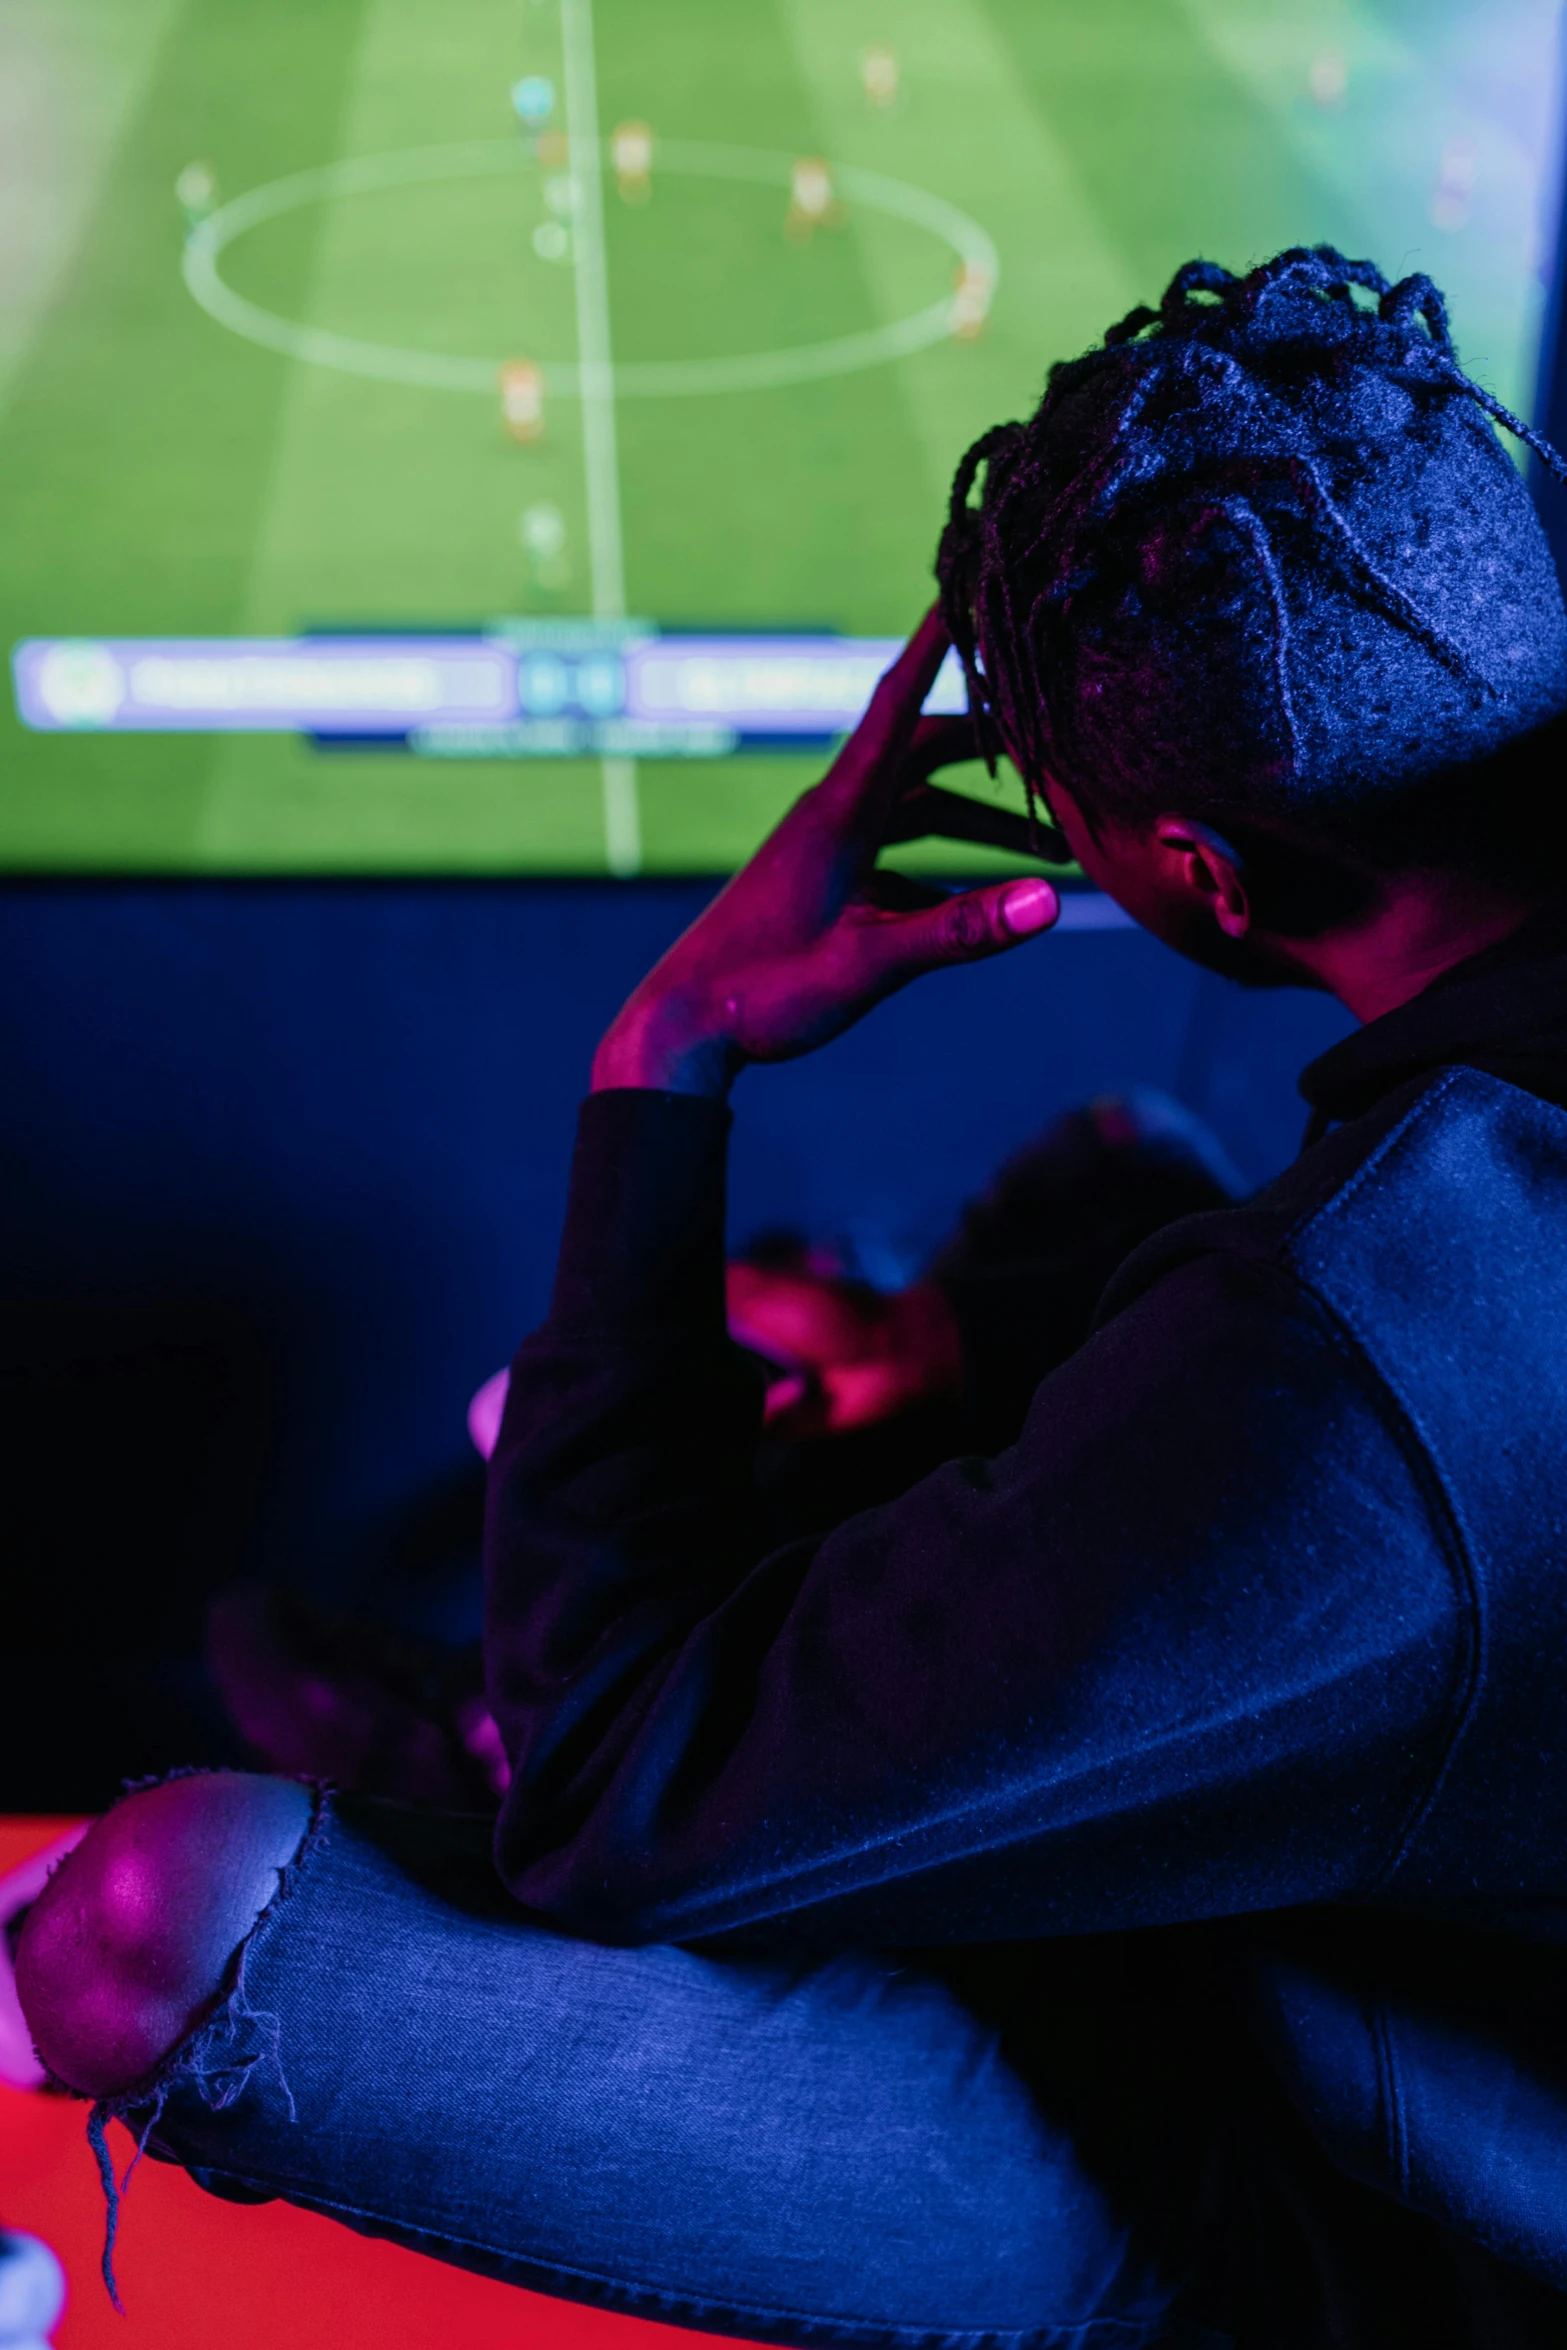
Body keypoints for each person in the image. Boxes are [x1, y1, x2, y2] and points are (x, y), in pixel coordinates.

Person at [15, 244, 1567, 2347]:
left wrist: (672, 1053)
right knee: (1112, 1177)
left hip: (1375, 2214)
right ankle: (666, 1660)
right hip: (1440, 1914)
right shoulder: (1410, 1255)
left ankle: (506, 1716)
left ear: (1201, 873)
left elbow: (612, 1818)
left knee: (160, 1908)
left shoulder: (1359, 1359)